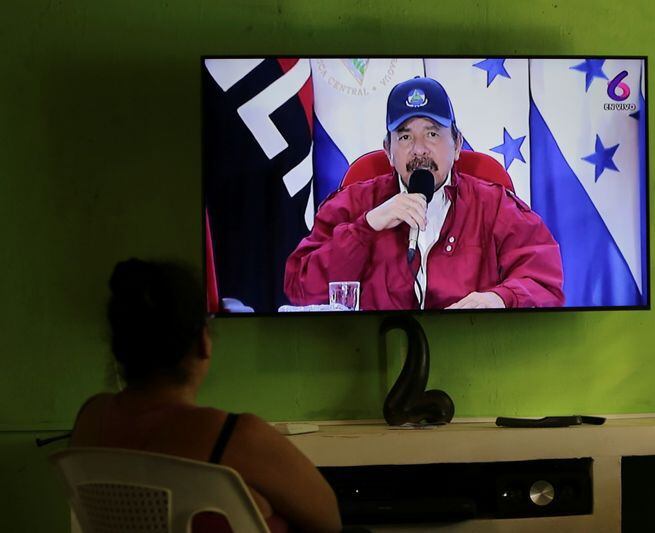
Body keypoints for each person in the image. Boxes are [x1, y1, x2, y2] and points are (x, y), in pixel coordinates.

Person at [70, 258, 342, 533]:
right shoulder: (235, 436)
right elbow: (329, 520)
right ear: (203, 342)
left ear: (120, 347)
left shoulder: (90, 419)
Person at [284, 76, 565, 310]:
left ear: (457, 145)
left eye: (432, 134)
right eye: (405, 137)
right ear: (388, 151)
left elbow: (545, 283)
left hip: (472, 352)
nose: (419, 150)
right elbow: (300, 288)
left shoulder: (494, 206)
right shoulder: (354, 203)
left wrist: (499, 299)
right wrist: (365, 227)